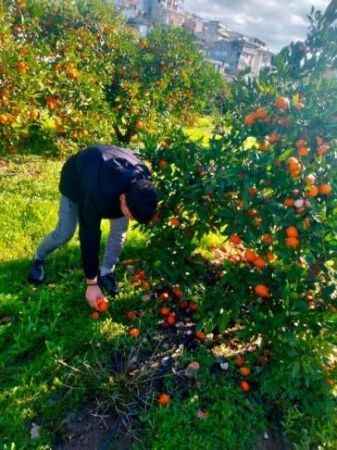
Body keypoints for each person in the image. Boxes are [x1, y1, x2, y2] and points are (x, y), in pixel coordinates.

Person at [28, 144, 158, 309]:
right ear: (123, 199)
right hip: (77, 180)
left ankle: (106, 272)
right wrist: (91, 283)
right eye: (130, 215)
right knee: (65, 232)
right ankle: (38, 257)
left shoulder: (143, 179)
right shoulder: (96, 192)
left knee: (119, 233)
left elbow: (143, 207)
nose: (131, 219)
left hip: (113, 176)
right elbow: (89, 235)